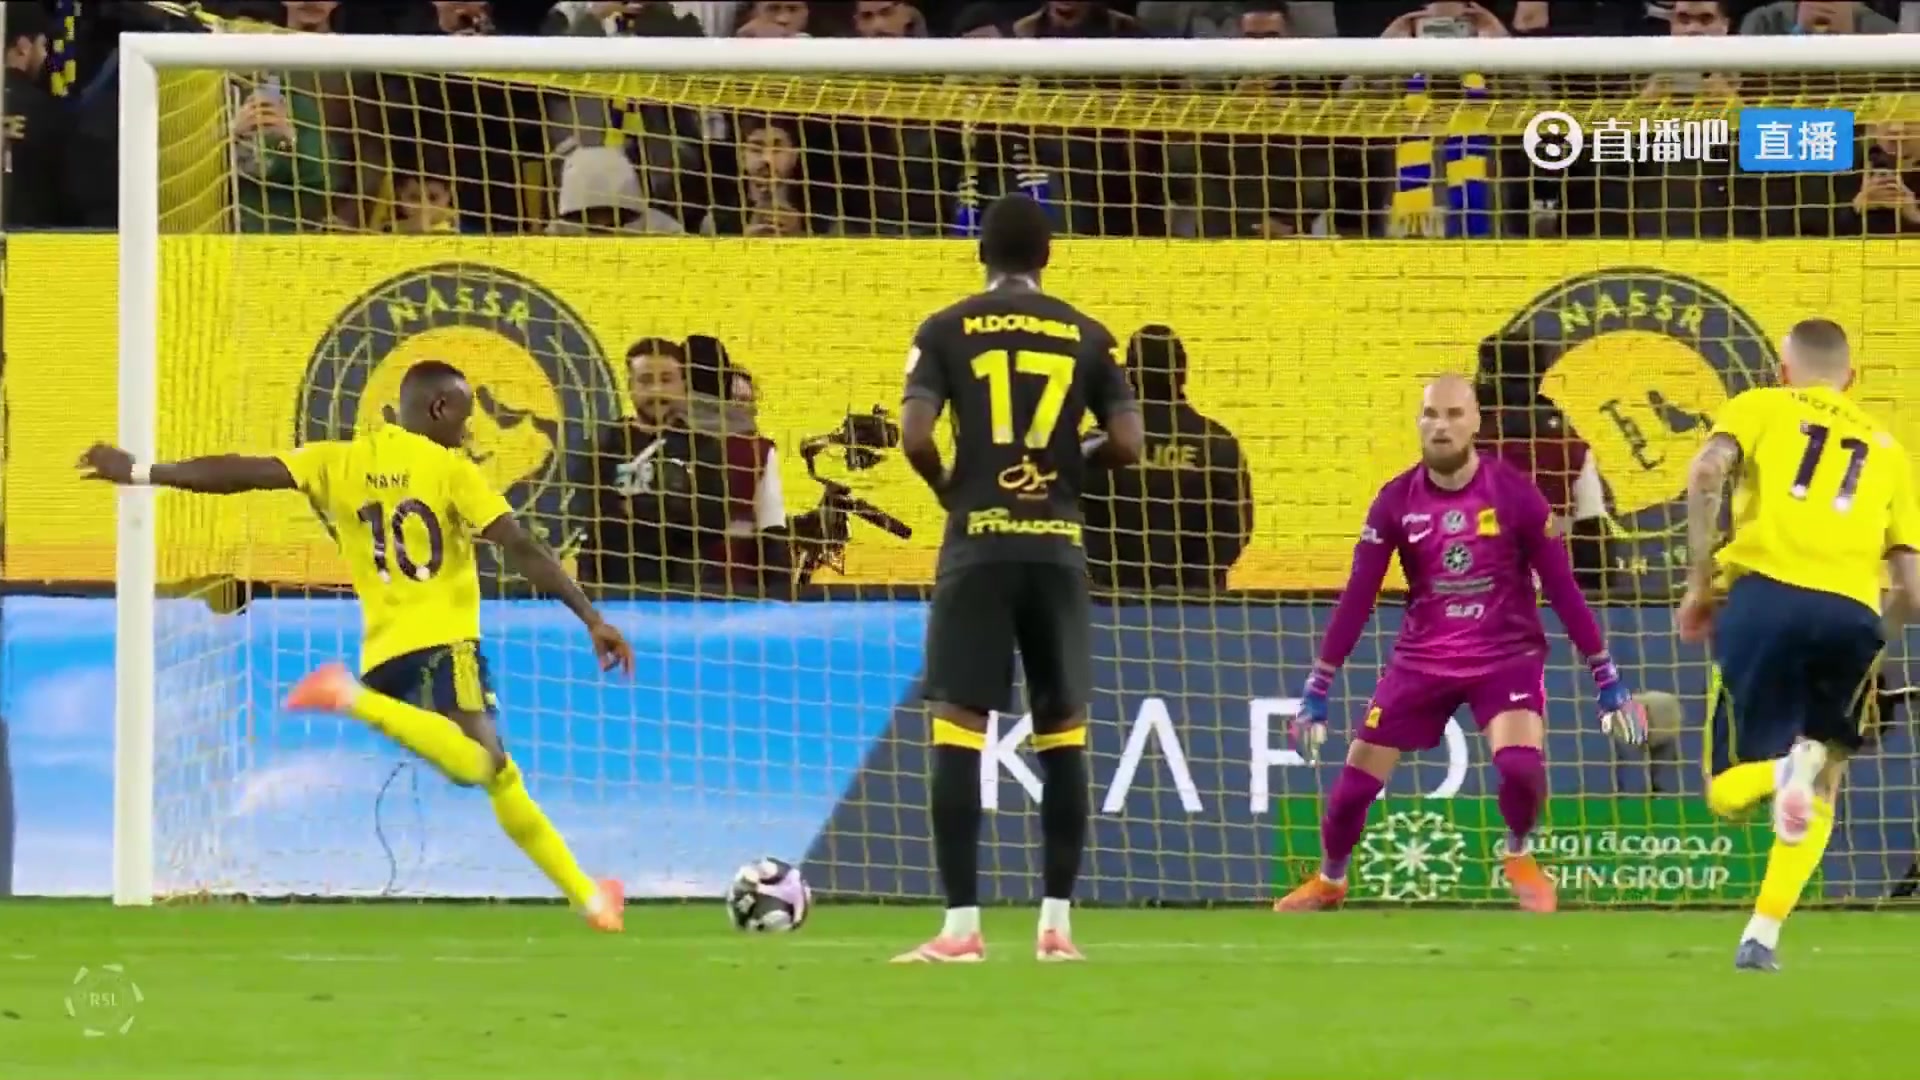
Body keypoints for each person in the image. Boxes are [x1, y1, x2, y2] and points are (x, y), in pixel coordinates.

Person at [77, 360, 636, 931]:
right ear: (439, 408)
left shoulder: (338, 460)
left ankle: (590, 899)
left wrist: (143, 471)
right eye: (464, 417)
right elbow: (522, 547)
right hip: (445, 645)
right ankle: (348, 696)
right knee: (484, 765)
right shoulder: (451, 470)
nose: (467, 431)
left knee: (500, 777)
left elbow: (240, 472)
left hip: (385, 657)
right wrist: (591, 617)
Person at [1277, 373, 1645, 915]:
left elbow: (1564, 589)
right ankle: (1330, 880)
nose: (1441, 426)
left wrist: (1607, 678)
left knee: (1520, 768)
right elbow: (1358, 596)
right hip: (1423, 659)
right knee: (1353, 788)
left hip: (1506, 656)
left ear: (1475, 423)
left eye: (1453, 414)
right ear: (1419, 423)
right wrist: (1317, 687)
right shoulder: (1395, 501)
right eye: (1431, 414)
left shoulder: (1516, 495)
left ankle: (1518, 854)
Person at [892, 194, 1143, 963]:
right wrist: (1071, 467)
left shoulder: (944, 328)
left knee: (958, 729)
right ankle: (1056, 927)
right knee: (1062, 733)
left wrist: (951, 488)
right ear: (1048, 255)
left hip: (978, 546)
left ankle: (961, 929)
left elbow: (914, 436)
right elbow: (1129, 443)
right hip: (1057, 549)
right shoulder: (1087, 334)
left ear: (980, 254)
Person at [1678, 318, 1920, 971]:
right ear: (1851, 378)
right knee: (1825, 779)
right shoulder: (1889, 450)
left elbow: (1705, 472)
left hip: (1764, 600)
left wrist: (1699, 585)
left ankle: (1780, 773)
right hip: (1852, 615)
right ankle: (1762, 935)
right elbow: (1913, 588)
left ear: (1784, 372)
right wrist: (1874, 645)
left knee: (1725, 791)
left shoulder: (1760, 406)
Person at [1082, 324, 1251, 593]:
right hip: (1197, 606)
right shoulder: (1216, 443)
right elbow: (1235, 527)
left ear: (1130, 373)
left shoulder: (1099, 442)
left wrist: (1106, 579)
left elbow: (1072, 518)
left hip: (1113, 601)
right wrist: (1195, 583)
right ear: (1182, 371)